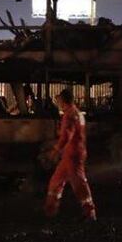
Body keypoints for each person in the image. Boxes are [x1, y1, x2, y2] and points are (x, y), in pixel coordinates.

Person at [44, 88, 96, 221]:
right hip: (72, 153)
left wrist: (55, 150)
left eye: (59, 100)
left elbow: (66, 136)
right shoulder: (77, 113)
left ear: (63, 100)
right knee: (56, 181)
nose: (58, 103)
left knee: (78, 183)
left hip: (72, 154)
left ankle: (89, 213)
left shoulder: (70, 115)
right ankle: (50, 209)